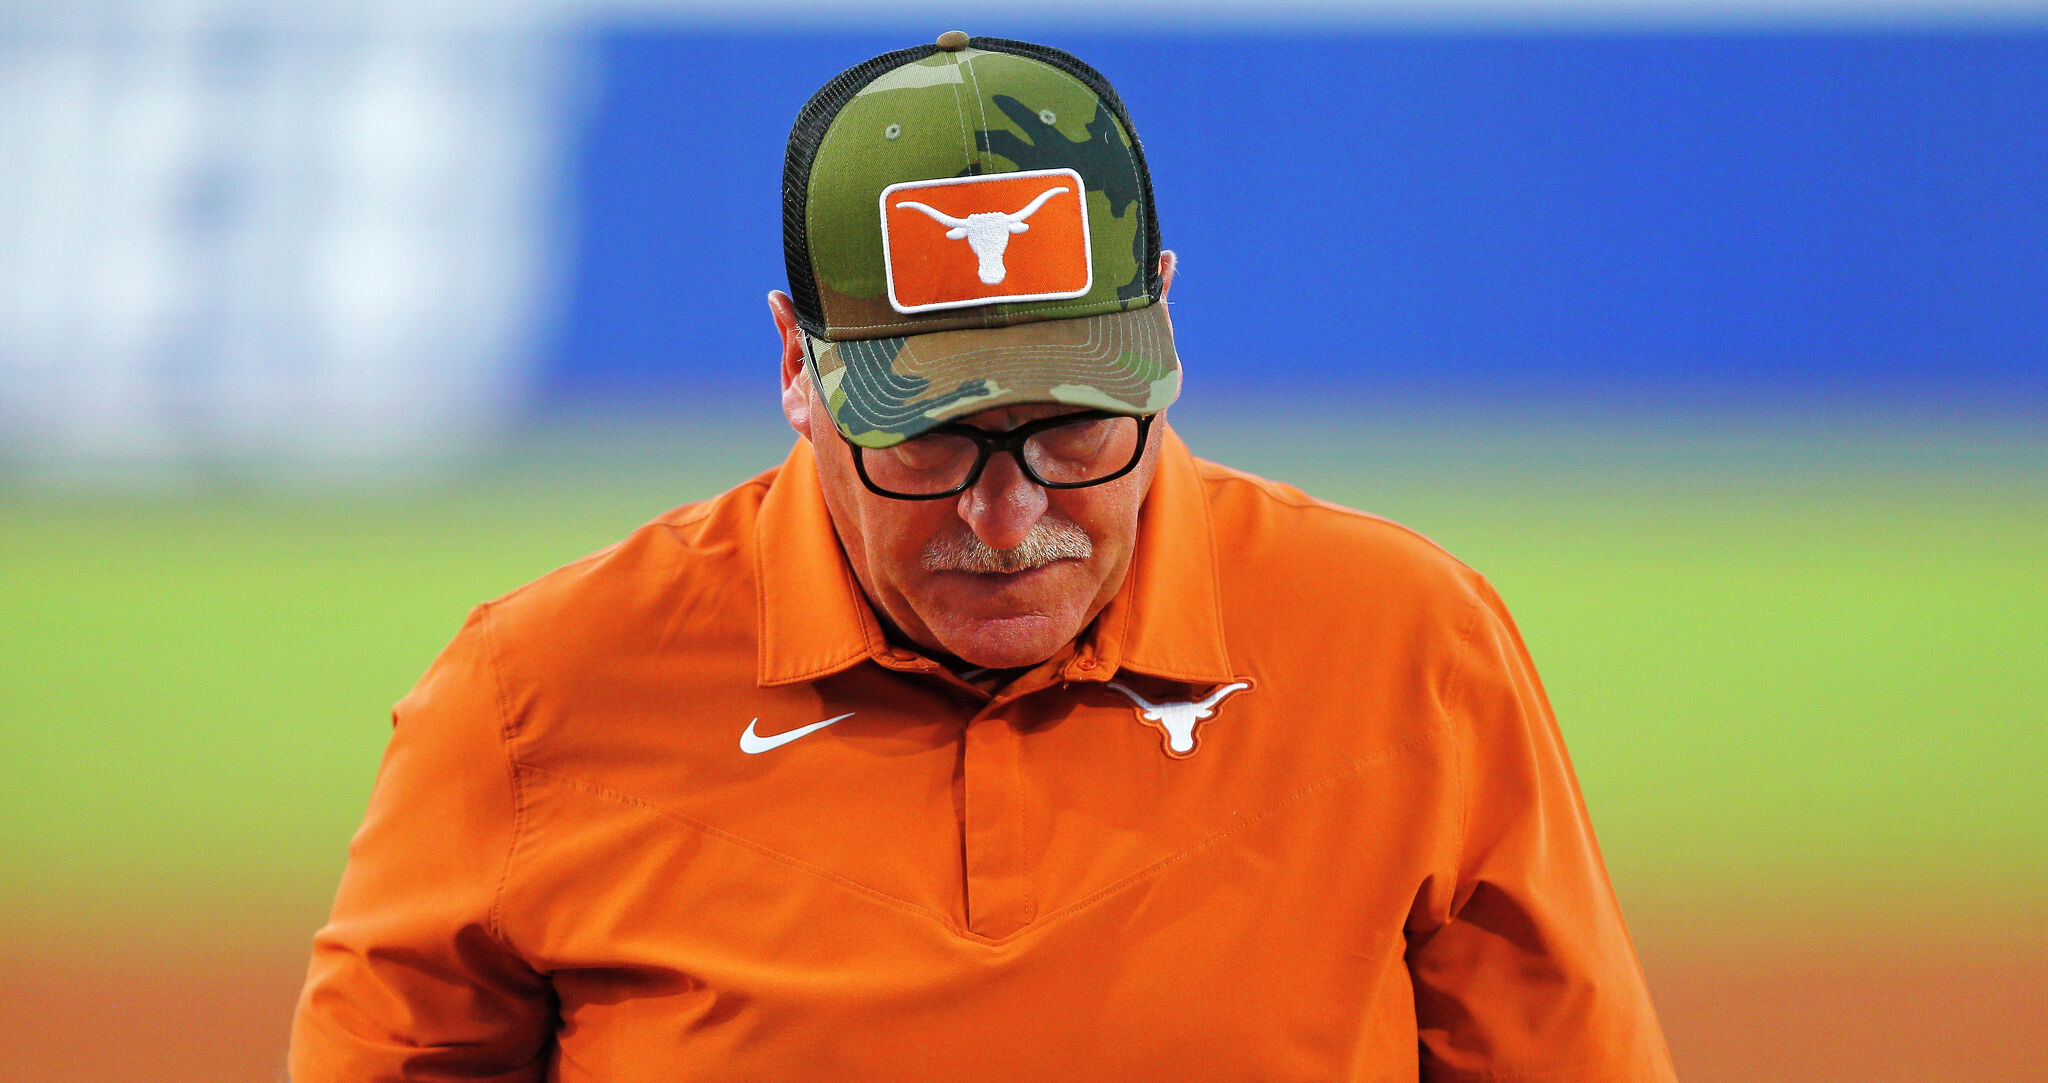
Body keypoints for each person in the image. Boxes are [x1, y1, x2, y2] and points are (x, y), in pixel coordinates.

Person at [289, 33, 1677, 1081]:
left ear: (1165, 340)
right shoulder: (536, 701)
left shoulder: (1407, 646)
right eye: (932, 439)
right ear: (796, 367)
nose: (1010, 521)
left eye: (1074, 430)